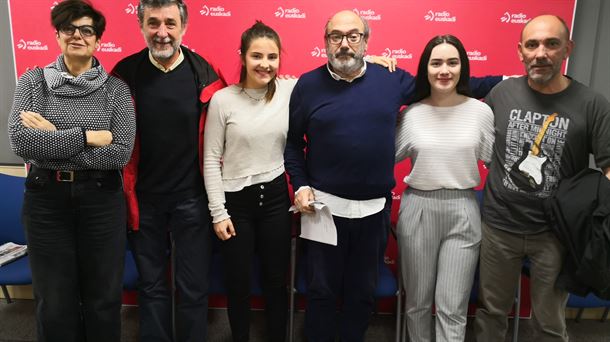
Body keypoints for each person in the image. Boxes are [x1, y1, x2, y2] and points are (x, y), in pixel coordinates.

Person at [284, 10, 501, 342]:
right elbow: (293, 146)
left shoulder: (391, 79)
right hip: (322, 211)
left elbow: (447, 83)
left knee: (361, 294)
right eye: (336, 36)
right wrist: (299, 185)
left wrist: (512, 82)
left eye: (353, 36)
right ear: (325, 42)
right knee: (321, 292)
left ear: (366, 41)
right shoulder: (308, 85)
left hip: (373, 213)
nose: (344, 44)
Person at [474, 14, 610, 341]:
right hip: (499, 227)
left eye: (551, 44)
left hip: (555, 234)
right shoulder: (501, 93)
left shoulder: (592, 104)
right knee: (492, 312)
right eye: (532, 44)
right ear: (520, 51)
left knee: (549, 322)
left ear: (567, 49)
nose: (541, 53)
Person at [7, 1, 136, 341]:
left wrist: (52, 138)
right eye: (69, 29)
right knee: (54, 299)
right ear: (58, 35)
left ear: (98, 41)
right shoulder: (33, 82)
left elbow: (119, 153)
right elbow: (22, 143)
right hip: (46, 201)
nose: (77, 35)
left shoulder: (116, 90)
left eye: (87, 30)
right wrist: (88, 137)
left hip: (101, 200)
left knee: (103, 298)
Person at [111, 0, 224, 341]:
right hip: (142, 201)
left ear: (183, 27)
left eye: (170, 24)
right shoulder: (123, 74)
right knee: (152, 287)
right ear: (141, 27)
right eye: (154, 23)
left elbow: (244, 106)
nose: (162, 33)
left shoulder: (205, 73)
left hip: (192, 200)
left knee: (193, 288)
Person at [394, 35, 494, 342]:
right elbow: (379, 156)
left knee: (453, 307)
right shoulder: (410, 114)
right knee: (417, 304)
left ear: (463, 67)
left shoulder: (480, 112)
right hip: (418, 209)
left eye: (452, 62)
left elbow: (496, 164)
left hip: (463, 210)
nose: (444, 70)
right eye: (436, 63)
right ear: (425, 68)